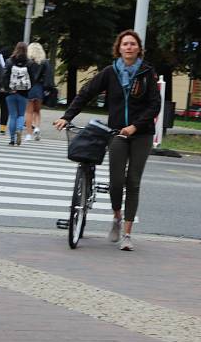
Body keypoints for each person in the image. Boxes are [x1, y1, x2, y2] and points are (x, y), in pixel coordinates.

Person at [53, 30, 161, 251]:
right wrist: (67, 116)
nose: (129, 47)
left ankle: (128, 235)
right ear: (119, 48)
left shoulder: (147, 73)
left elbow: (154, 105)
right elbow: (86, 93)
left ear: (138, 48)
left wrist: (135, 126)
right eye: (125, 44)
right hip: (117, 132)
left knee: (133, 181)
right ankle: (117, 217)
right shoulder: (110, 72)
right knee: (116, 182)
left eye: (133, 44)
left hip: (142, 133)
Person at [0, 41, 31, 146]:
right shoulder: (29, 63)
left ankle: (12, 139)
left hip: (10, 92)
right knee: (21, 115)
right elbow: (33, 78)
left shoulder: (9, 61)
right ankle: (19, 129)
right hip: (23, 93)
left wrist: (7, 88)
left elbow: (4, 76)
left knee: (13, 115)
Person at [24, 42, 52, 141]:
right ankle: (37, 127)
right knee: (37, 111)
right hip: (40, 88)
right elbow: (48, 77)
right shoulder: (45, 62)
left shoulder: (27, 62)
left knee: (28, 112)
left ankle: (28, 134)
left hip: (29, 88)